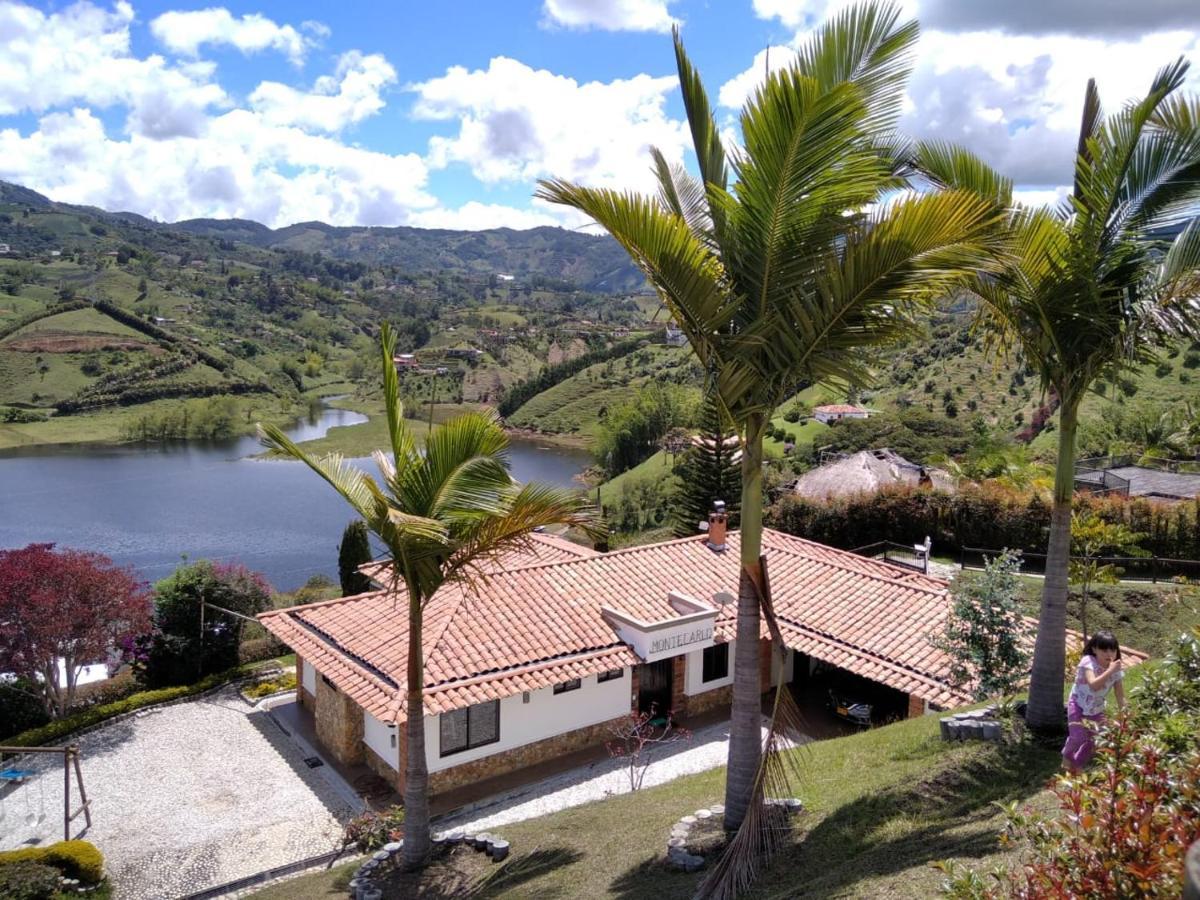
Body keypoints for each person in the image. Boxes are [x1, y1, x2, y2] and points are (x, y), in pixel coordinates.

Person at [1061, 630, 1126, 773]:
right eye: (1104, 649)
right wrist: (1110, 671)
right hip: (1077, 703)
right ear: (1094, 649)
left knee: (1095, 741)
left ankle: (1077, 764)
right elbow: (1094, 685)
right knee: (1077, 737)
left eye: (1113, 650)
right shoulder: (1088, 662)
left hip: (1096, 709)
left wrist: (1125, 715)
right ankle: (1067, 755)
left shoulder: (1116, 670)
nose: (1109, 654)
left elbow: (1119, 695)